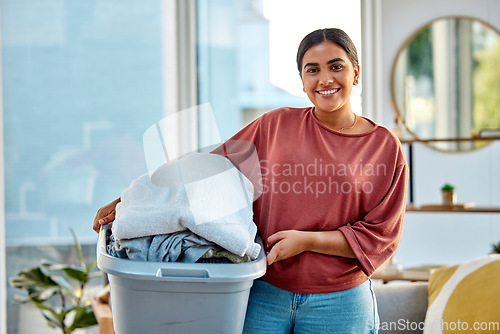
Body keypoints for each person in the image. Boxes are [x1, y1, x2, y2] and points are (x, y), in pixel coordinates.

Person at [93, 28, 408, 333]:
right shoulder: (275, 125)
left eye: (336, 66)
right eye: (313, 70)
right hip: (264, 291)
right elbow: (202, 172)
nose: (325, 79)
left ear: (355, 73)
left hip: (340, 302)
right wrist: (130, 201)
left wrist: (307, 241)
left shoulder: (383, 146)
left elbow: (380, 236)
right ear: (302, 81)